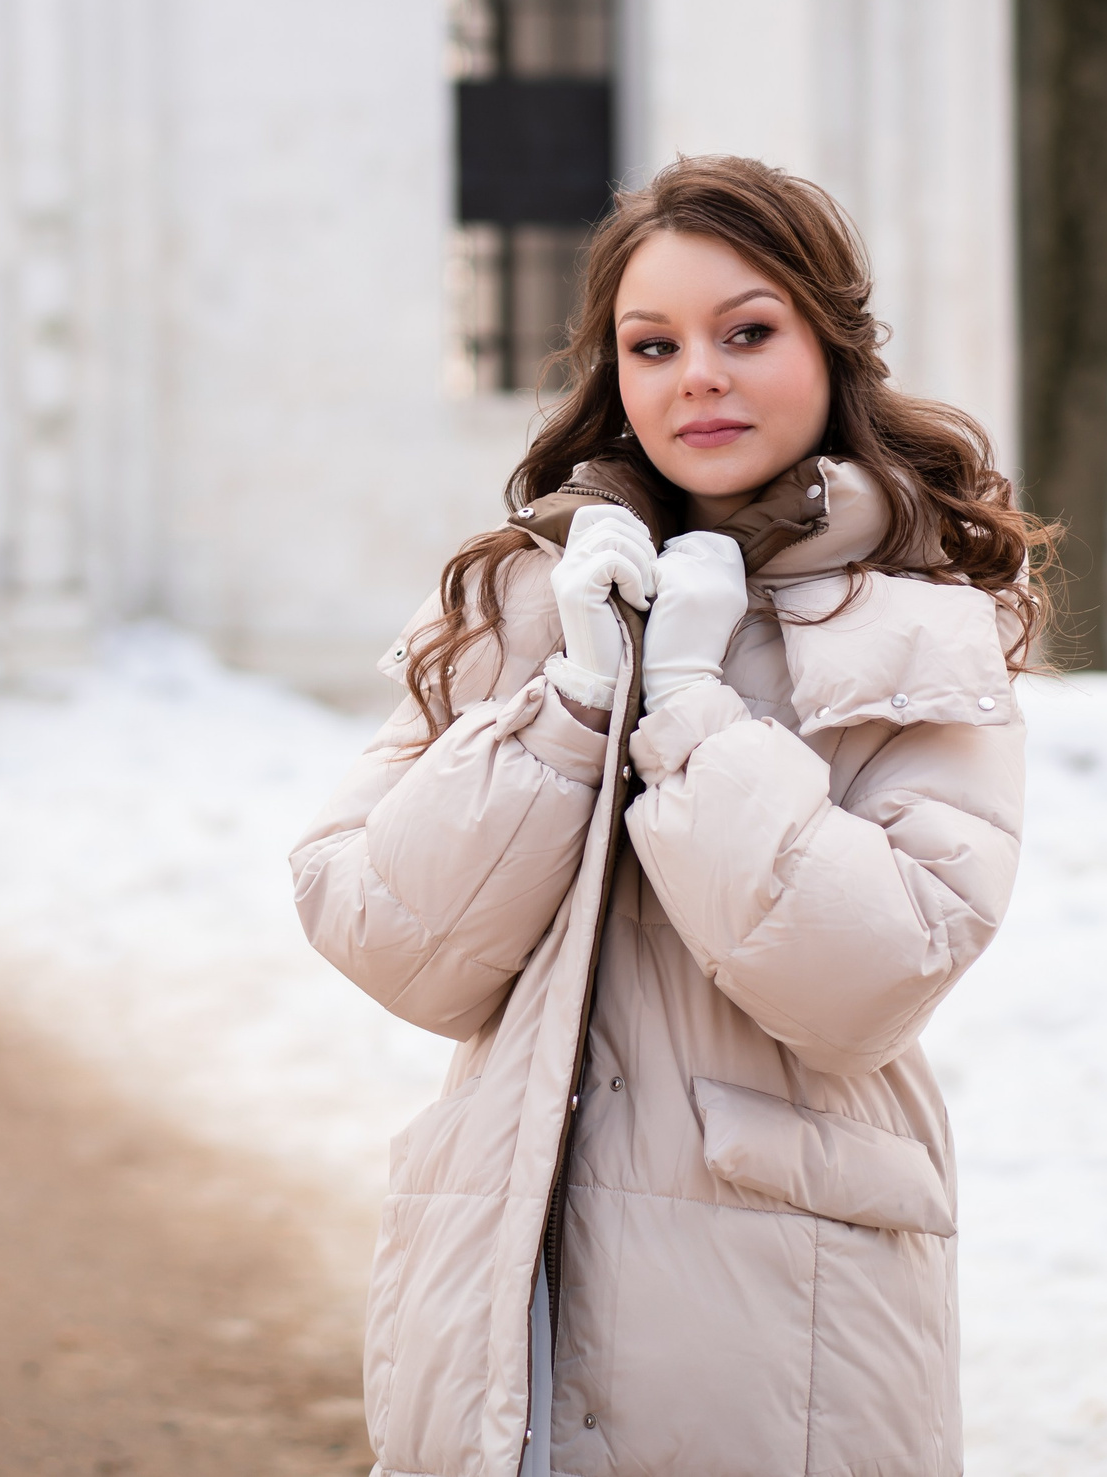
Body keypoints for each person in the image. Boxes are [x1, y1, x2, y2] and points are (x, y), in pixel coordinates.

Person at [291, 156, 1045, 1476]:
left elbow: (874, 977)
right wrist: (575, 704)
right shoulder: (517, 605)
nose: (699, 375)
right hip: (504, 1299)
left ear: (829, 347)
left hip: (777, 1332)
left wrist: (692, 709)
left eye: (746, 332)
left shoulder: (921, 625)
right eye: (654, 344)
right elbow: (380, 932)